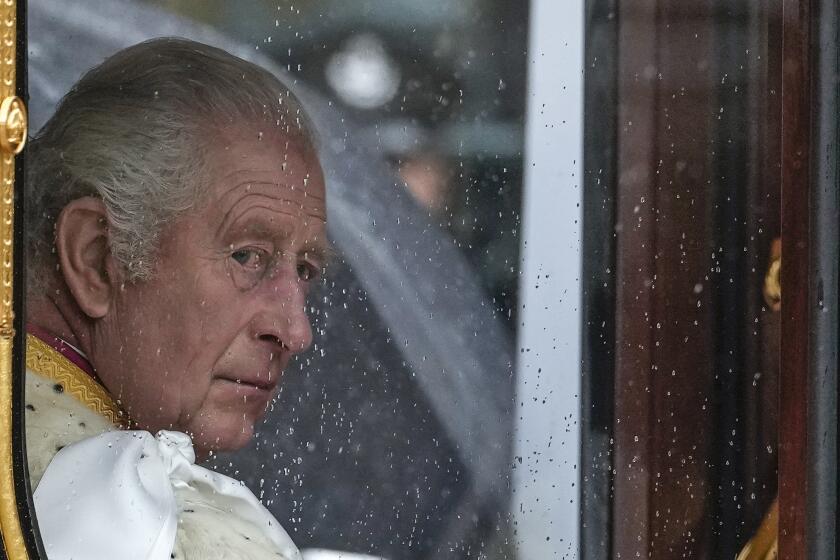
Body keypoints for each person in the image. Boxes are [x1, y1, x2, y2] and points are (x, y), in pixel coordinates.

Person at [23, 37, 327, 560]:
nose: (297, 332)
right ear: (96, 257)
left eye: (304, 270)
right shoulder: (155, 531)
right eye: (247, 257)